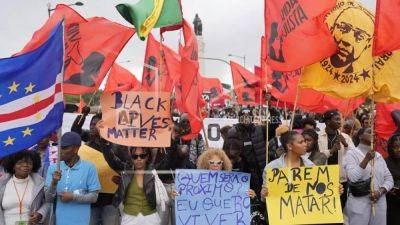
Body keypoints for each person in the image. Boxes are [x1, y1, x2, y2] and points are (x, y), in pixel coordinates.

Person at [45, 132, 101, 225]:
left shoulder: (89, 167)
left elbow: (94, 197)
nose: (60, 151)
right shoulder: (53, 168)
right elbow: (48, 199)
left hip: (82, 221)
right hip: (59, 221)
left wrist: (73, 197)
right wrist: (54, 183)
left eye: (64, 148)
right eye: (59, 147)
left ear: (76, 149)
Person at [343, 128, 393, 225]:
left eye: (374, 133)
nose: (373, 134)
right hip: (359, 205)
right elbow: (352, 177)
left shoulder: (378, 156)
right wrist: (366, 159)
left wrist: (380, 191)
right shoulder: (351, 153)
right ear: (360, 136)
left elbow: (389, 179)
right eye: (369, 132)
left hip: (379, 204)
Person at [102, 146, 163, 225]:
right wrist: (104, 143)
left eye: (142, 156)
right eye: (135, 156)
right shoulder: (126, 170)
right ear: (131, 157)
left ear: (147, 156)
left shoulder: (153, 171)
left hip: (151, 218)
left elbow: (166, 161)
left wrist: (172, 140)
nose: (138, 159)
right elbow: (111, 160)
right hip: (129, 218)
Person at [0, 151, 49, 225]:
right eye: (20, 162)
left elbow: (48, 202)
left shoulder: (39, 183)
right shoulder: (2, 183)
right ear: (12, 165)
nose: (25, 165)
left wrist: (40, 214)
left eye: (29, 163)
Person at [385, 133, 400, 225]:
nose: (399, 150)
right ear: (390, 147)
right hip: (392, 203)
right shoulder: (385, 162)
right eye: (396, 147)